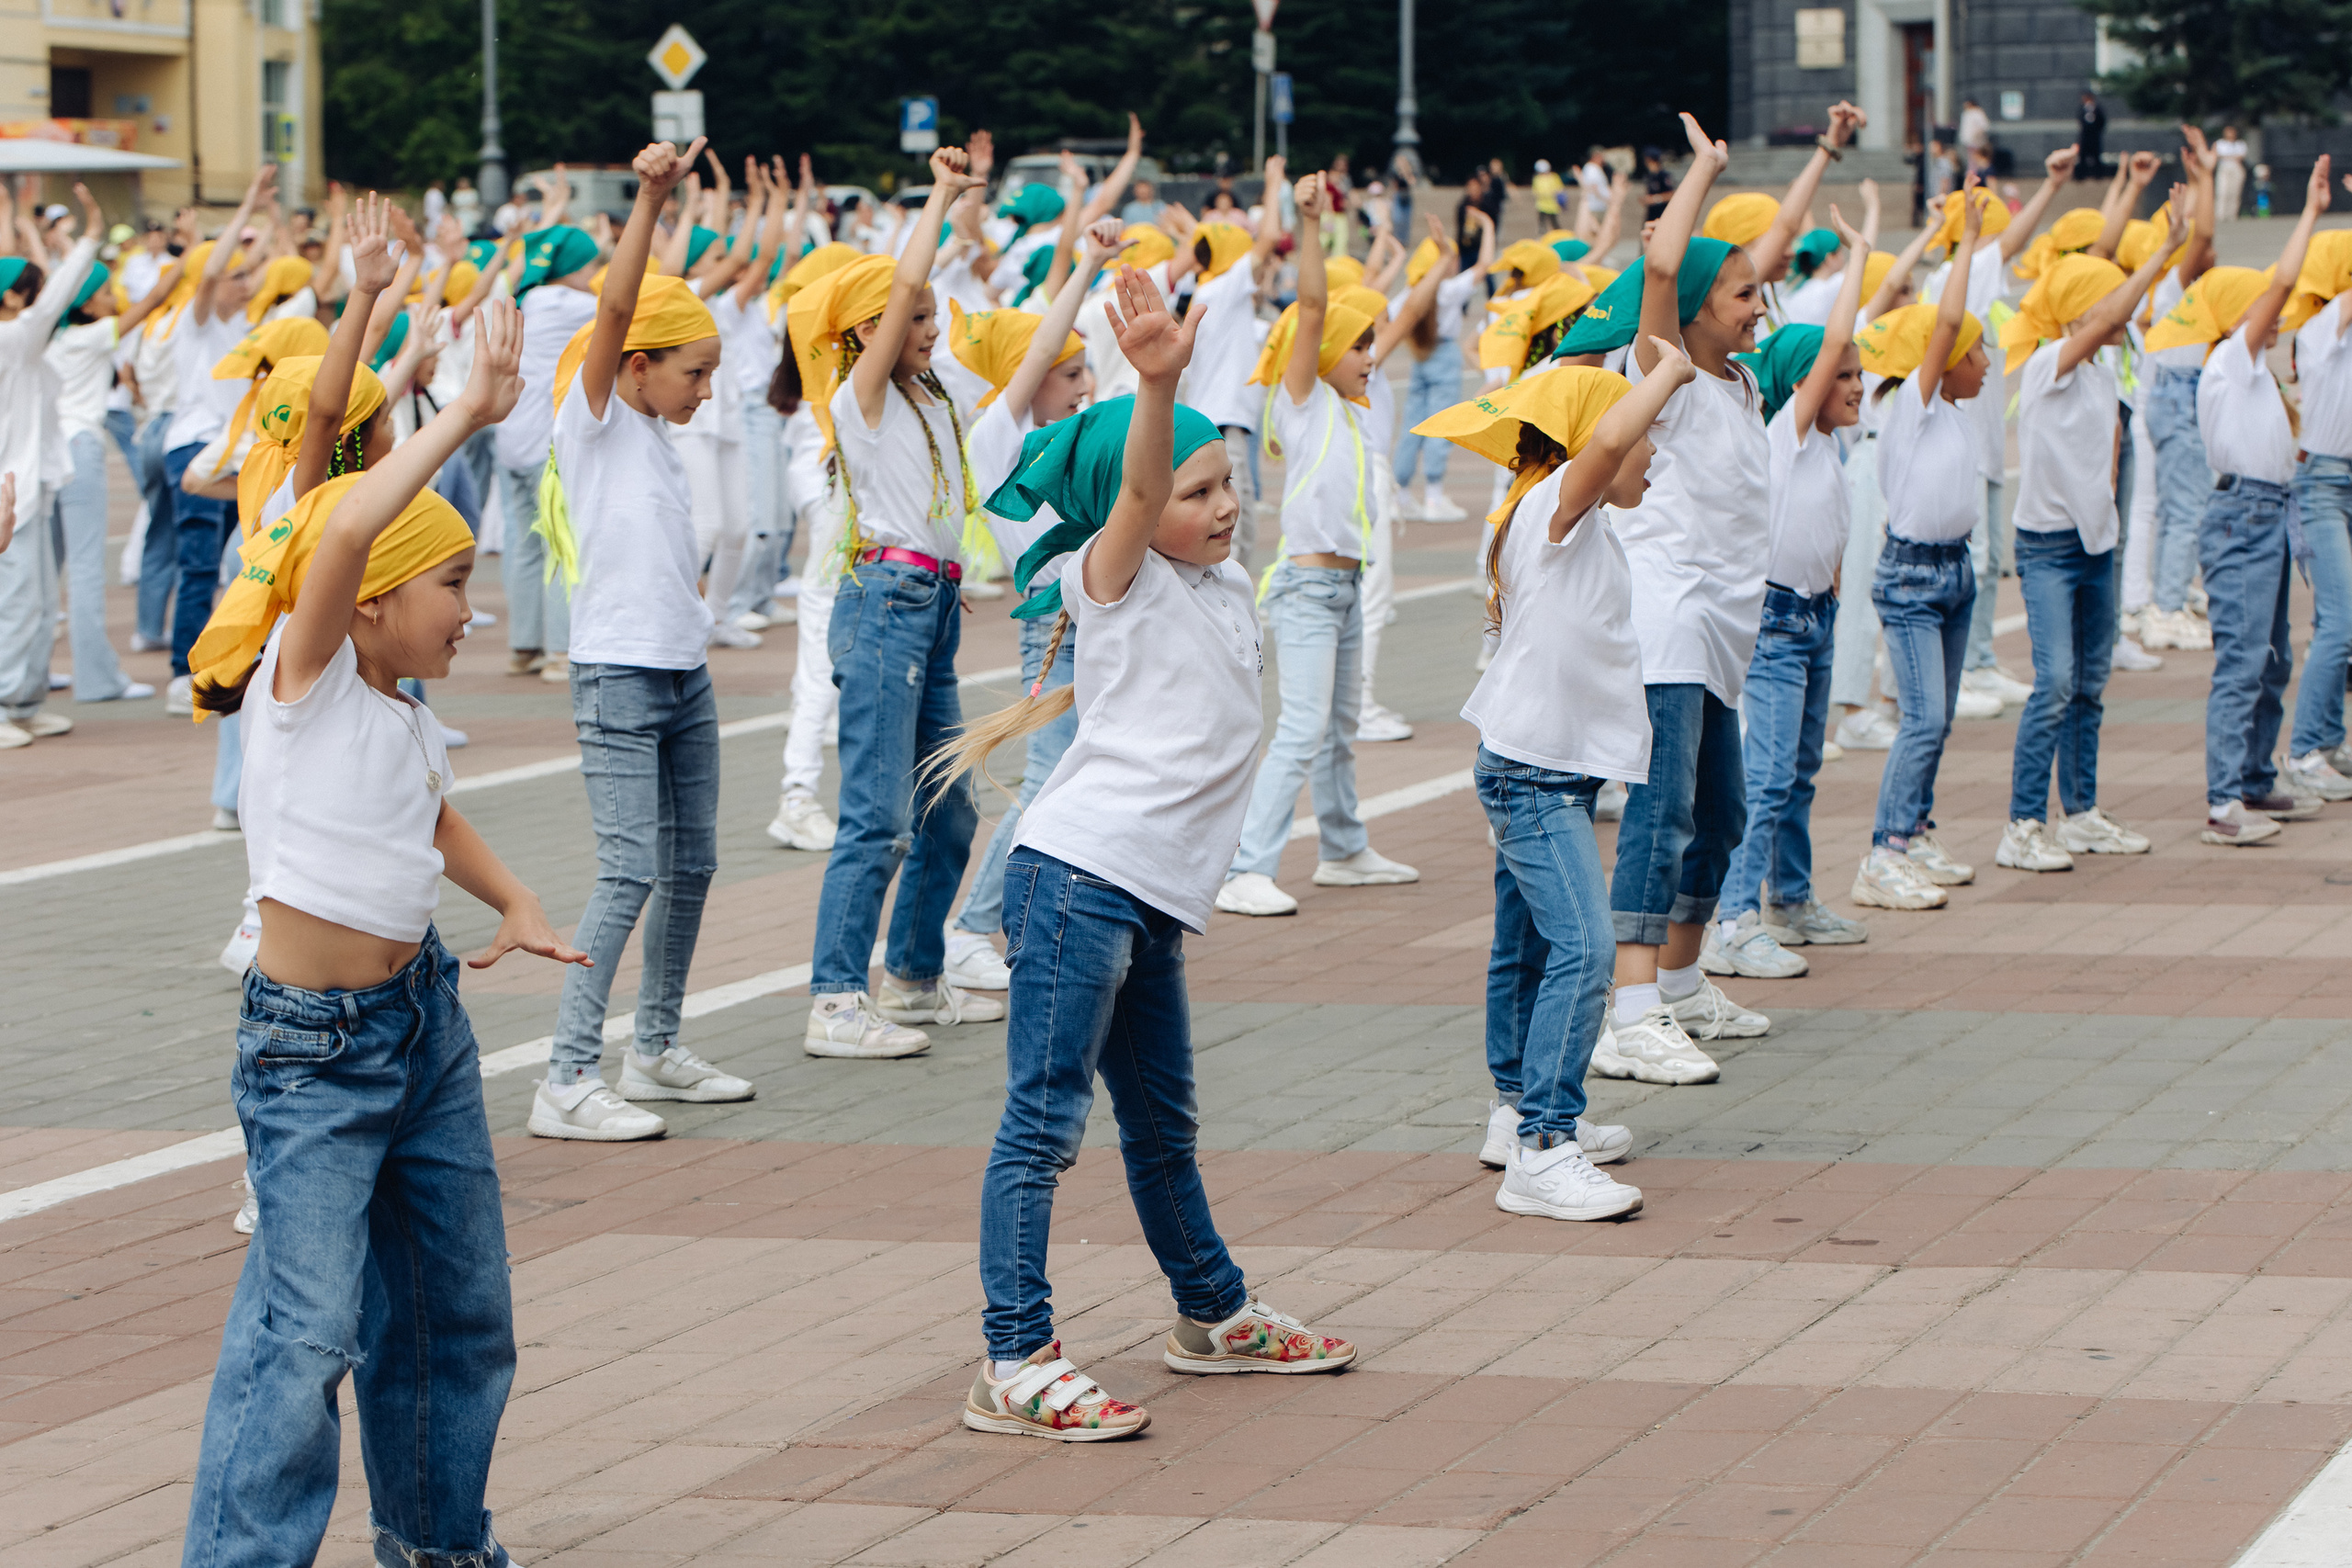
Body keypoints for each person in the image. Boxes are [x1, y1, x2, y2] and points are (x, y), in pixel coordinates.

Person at [178, 296, 579, 1568]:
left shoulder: (400, 707)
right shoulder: (304, 687)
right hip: (313, 1051)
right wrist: (460, 410)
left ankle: (439, 1539)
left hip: (423, 1032)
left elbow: (431, 821)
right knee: (305, 1334)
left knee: (461, 1312)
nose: (474, 603)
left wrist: (512, 900)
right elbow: (340, 512)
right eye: (455, 580)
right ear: (362, 604)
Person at [933, 267, 1353, 1442]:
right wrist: (1156, 384)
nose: (1224, 508)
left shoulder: (1219, 587)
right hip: (1077, 884)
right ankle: (1013, 1358)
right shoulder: (1111, 580)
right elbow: (1131, 489)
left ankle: (1210, 1315)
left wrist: (1199, 382)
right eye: (1196, 490)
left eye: (1230, 486)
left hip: (1145, 900)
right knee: (1042, 1127)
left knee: (1163, 1128)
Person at [1418, 358, 1695, 1218]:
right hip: (1531, 775)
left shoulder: (1581, 524)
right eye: (1647, 436)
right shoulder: (1553, 511)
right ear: (1594, 447)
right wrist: (1672, 373)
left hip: (1546, 767)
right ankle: (1544, 1144)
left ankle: (1514, 1113)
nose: (1655, 454)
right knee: (1586, 948)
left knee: (1531, 947)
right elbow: (1609, 433)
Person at [526, 138, 763, 1140]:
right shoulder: (594, 423)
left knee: (695, 863)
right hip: (618, 676)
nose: (704, 390)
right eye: (693, 373)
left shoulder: (659, 440)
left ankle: (655, 1046)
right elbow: (616, 308)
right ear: (634, 368)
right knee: (628, 870)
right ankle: (566, 1076)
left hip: (682, 671)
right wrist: (650, 200)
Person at [1546, 112, 1771, 1084]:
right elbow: (1665, 268)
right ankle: (1627, 1009)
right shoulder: (1665, 373)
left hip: (1722, 630)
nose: (1759, 305)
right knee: (1661, 812)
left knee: (1721, 817)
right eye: (1743, 291)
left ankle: (1677, 985)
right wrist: (1704, 171)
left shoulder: (1744, 382)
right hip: (1667, 622)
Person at [795, 143, 1006, 1058]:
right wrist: (935, 198)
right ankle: (836, 1000)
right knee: (877, 814)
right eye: (912, 318)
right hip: (883, 602)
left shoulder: (928, 399)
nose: (929, 327)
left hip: (929, 603)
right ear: (870, 330)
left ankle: (913, 979)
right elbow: (906, 280)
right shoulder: (863, 396)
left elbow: (1020, 347)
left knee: (948, 807)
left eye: (930, 317)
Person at [1215, 170, 1420, 917]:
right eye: (1361, 343)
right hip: (1304, 590)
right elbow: (1309, 310)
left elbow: (1373, 322)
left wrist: (1418, 273)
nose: (1373, 353)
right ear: (1327, 349)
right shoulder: (1304, 403)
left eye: (1375, 342)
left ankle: (1343, 847)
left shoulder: (1359, 409)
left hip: (1347, 587)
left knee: (1336, 730)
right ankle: (1245, 865)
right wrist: (1306, 222)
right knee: (1301, 729)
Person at [940, 220, 1118, 990]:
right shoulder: (996, 439)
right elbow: (1037, 347)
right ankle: (970, 925)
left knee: (1089, 779)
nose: (1082, 382)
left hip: (1103, 622)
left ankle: (1043, 915)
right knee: (1049, 781)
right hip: (1055, 630)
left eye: (1084, 369)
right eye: (1068, 369)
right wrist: (1088, 264)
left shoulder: (1066, 440)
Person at [1991, 192, 2188, 873]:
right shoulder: (2049, 363)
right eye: (2108, 305)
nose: (2123, 314)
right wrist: (2162, 251)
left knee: (2091, 685)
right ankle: (2020, 825)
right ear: (2079, 312)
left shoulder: (2105, 370)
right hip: (2046, 549)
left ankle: (2079, 814)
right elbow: (2107, 308)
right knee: (2055, 682)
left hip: (2094, 548)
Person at [1705, 203, 1875, 979]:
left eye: (1860, 373)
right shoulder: (1788, 434)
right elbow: (1829, 337)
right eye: (1840, 374)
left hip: (1814, 618)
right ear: (1802, 387)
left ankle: (1794, 897)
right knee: (1768, 774)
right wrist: (1863, 254)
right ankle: (1733, 920)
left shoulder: (1828, 455)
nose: (1857, 385)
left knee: (1802, 769)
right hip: (1774, 623)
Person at [2157, 159, 2335, 844]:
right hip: (2243, 520)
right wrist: (2313, 212)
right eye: (2260, 305)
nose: (2277, 312)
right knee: (2242, 660)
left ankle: (2255, 779)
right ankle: (2223, 800)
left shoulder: (2250, 373)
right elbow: (2286, 281)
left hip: (2267, 514)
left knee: (2272, 658)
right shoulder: (2231, 359)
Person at [1850, 175, 1991, 910]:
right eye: (1978, 352)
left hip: (1953, 572)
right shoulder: (1915, 405)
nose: (1986, 362)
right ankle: (1884, 852)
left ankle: (1918, 826)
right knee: (1925, 716)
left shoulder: (1957, 417)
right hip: (1910, 579)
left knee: (1939, 717)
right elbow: (1943, 325)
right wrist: (1964, 238)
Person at [43, 184, 164, 708]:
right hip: (81, 451)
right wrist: (180, 255)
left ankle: (31, 671)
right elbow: (155, 300)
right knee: (89, 569)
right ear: (89, 302)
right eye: (105, 289)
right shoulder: (93, 336)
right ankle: (96, 678)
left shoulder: (48, 337)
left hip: (46, 456)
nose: (113, 293)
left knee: (43, 572)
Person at [162, 165, 274, 716]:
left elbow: (262, 262)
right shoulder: (198, 319)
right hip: (194, 450)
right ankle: (182, 675)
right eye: (236, 275)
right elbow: (209, 274)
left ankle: (218, 670)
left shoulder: (239, 325)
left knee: (234, 566)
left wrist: (270, 220)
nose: (245, 280)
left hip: (232, 457)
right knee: (201, 565)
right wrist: (247, 205)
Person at [492, 186, 593, 685]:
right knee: (558, 542)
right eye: (590, 264)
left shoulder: (528, 297)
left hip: (511, 439)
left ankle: (523, 647)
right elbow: (627, 307)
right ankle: (559, 651)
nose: (595, 274)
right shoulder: (567, 302)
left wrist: (551, 219)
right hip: (546, 445)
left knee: (523, 544)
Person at [1175, 155, 1284, 570]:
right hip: (1225, 425)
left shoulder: (1206, 289)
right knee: (1234, 530)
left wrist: (1190, 228)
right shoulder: (1226, 286)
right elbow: (1270, 237)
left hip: (1215, 420)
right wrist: (1273, 184)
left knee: (1230, 524)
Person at [2278, 227, 2352, 799]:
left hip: (2342, 480)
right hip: (2325, 483)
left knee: (2341, 621)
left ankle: (2327, 739)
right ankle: (2304, 750)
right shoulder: (2320, 327)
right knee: (2340, 620)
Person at [1394, 210, 1491, 523]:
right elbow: (1484, 265)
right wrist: (1487, 226)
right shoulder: (1447, 290)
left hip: (1420, 357)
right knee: (1442, 424)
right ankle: (1434, 495)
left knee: (1413, 424)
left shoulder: (1411, 293)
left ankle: (1402, 494)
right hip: (1445, 355)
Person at [2214, 127, 2249, 221]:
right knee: (2222, 191)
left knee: (2234, 193)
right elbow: (2219, 155)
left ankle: (2232, 214)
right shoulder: (2220, 143)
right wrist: (2232, 157)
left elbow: (2241, 156)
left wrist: (2228, 157)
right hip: (2224, 168)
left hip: (2236, 168)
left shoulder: (2240, 144)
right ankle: (2220, 214)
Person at [2078, 94, 2108, 177]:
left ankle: (2098, 175)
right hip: (2085, 137)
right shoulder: (2082, 109)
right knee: (2083, 156)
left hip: (2095, 136)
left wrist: (2097, 130)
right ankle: (2081, 175)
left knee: (2097, 156)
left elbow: (2102, 120)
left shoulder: (2097, 109)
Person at [1532, 159, 1565, 224]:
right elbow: (1535, 191)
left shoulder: (1554, 177)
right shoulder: (1537, 178)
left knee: (1554, 222)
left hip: (1553, 205)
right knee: (1542, 223)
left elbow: (1560, 189)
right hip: (1541, 205)